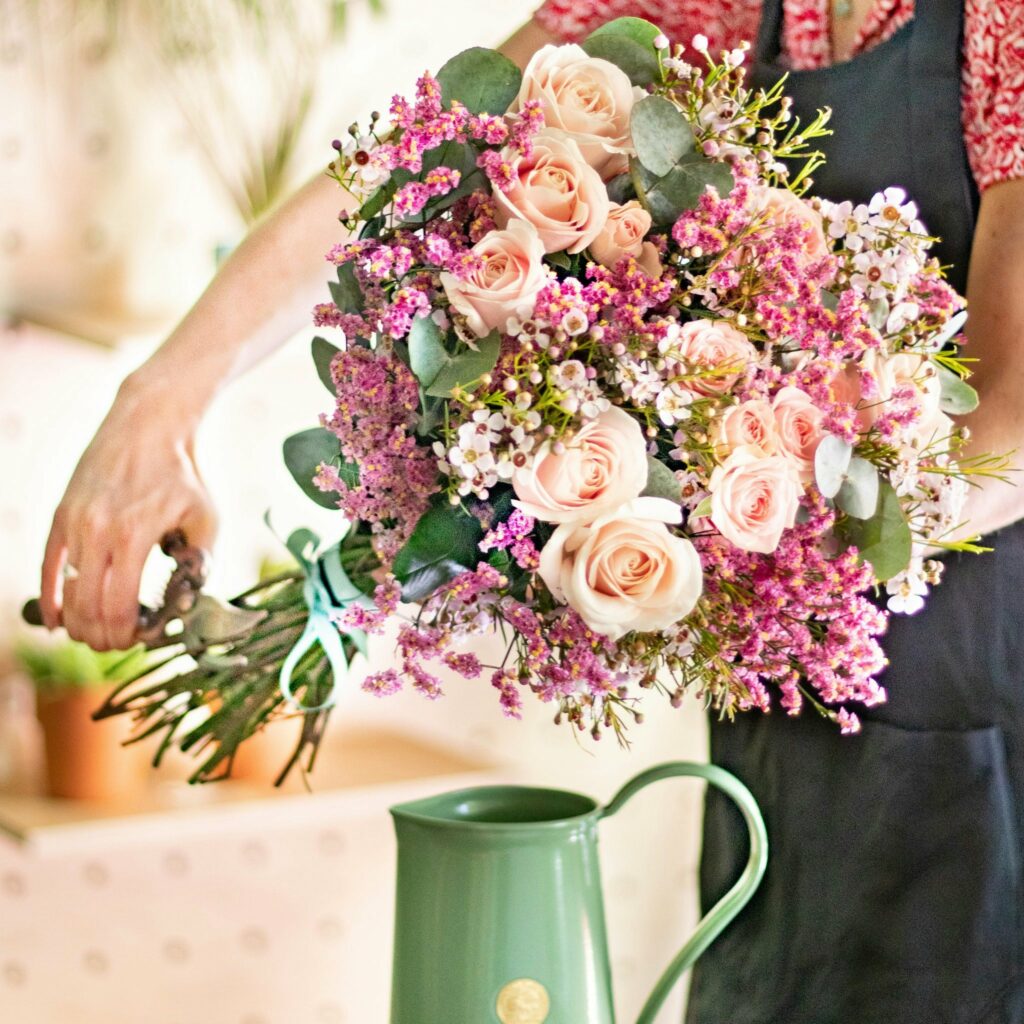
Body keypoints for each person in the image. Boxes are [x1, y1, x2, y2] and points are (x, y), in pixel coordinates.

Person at [40, 2, 1024, 1020]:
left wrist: (728, 523)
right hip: (783, 718)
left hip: (977, 700)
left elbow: (1013, 417)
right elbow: (411, 166)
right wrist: (159, 401)